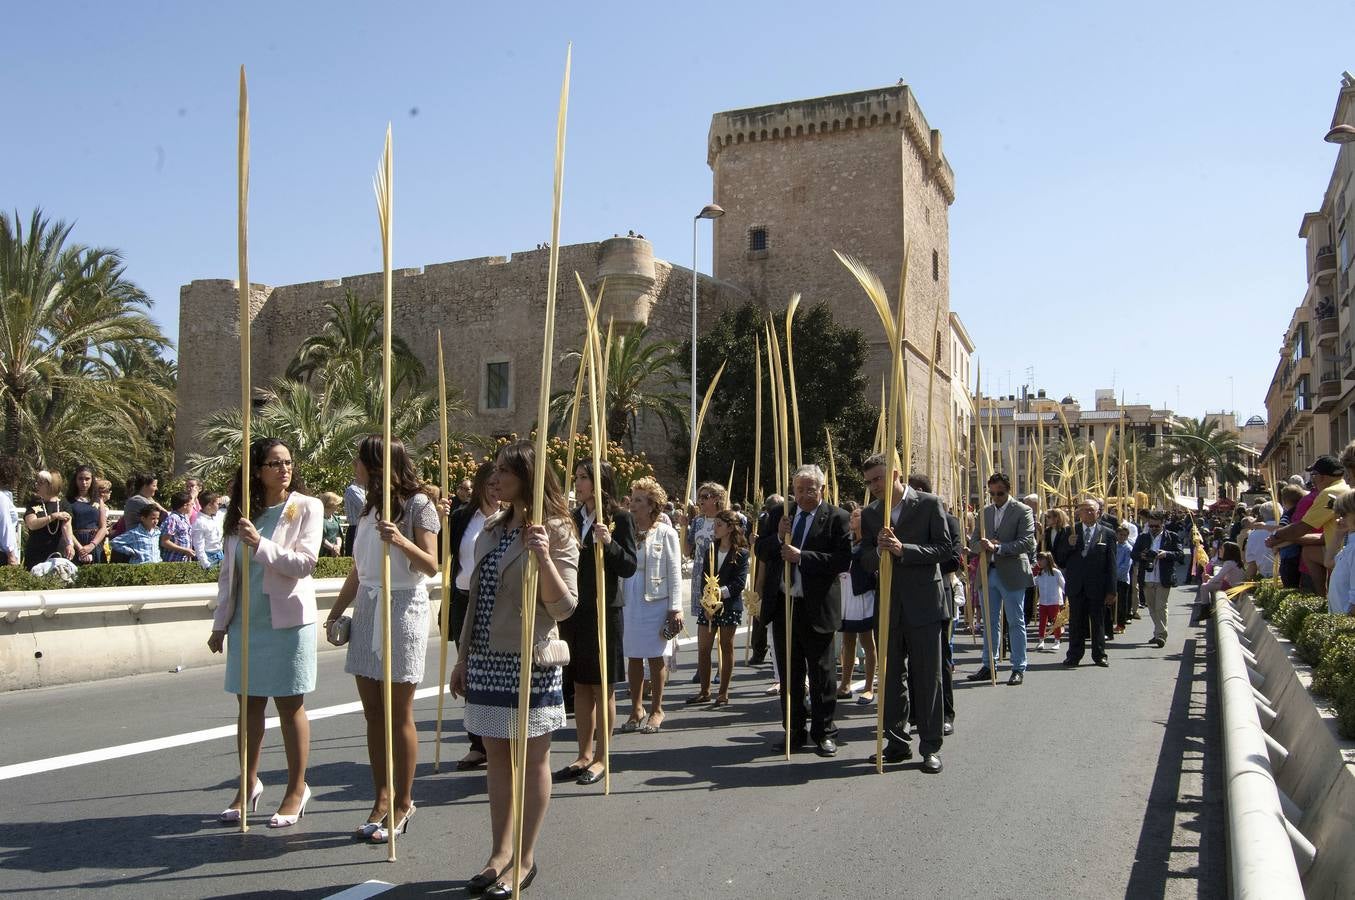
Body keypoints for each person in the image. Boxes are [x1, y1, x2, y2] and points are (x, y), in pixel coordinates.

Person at [448, 439, 578, 899]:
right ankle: (499, 852)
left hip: (529, 660)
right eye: (494, 471)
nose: (494, 478)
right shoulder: (489, 527)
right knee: (497, 759)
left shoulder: (557, 530)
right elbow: (474, 600)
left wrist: (542, 555)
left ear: (527, 476)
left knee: (533, 758)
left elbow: (564, 608)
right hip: (485, 659)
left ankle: (524, 858)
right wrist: (462, 657)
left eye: (504, 471)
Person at [325, 435, 440, 843]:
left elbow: (431, 564)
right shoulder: (367, 507)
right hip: (369, 608)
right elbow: (358, 570)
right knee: (373, 713)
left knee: (398, 712)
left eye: (358, 459)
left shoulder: (420, 506)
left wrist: (401, 539)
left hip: (404, 607)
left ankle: (404, 801)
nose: (353, 465)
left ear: (375, 464)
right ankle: (381, 797)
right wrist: (338, 610)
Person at [206, 438, 323, 828]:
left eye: (287, 462)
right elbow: (229, 576)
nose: (283, 469)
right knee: (249, 707)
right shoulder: (242, 515)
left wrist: (261, 544)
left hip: (287, 623)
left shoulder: (306, 507)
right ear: (257, 470)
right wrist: (220, 624)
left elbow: (304, 564)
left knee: (290, 706)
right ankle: (248, 783)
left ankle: (296, 788)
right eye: (274, 463)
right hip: (246, 623)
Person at [856, 458, 950, 772]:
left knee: (927, 677)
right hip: (889, 606)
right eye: (869, 482)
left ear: (896, 474)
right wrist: (879, 551)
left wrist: (903, 549)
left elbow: (944, 550)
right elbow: (866, 561)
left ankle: (930, 746)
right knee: (891, 678)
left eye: (878, 479)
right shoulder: (870, 514)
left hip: (924, 604)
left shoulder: (928, 504)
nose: (873, 487)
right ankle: (896, 743)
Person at [756, 464, 852, 758]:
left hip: (816, 605)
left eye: (811, 489)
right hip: (785, 605)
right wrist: (776, 537)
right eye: (799, 489)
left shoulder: (837, 517)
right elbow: (760, 550)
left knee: (821, 673)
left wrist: (803, 557)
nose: (804, 495)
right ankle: (794, 731)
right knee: (790, 674)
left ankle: (824, 732)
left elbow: (842, 560)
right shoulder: (779, 514)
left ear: (822, 489)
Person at [556, 460, 636, 786]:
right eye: (576, 477)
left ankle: (603, 756)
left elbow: (629, 564)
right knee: (579, 685)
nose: (577, 483)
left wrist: (609, 544)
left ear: (599, 482)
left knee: (603, 686)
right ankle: (583, 753)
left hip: (605, 611)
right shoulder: (573, 519)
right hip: (576, 611)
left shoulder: (620, 518)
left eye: (583, 478)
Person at [618, 477, 683, 735]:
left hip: (656, 601)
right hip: (630, 599)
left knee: (656, 657)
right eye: (632, 499)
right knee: (633, 655)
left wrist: (675, 608)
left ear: (652, 505)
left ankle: (657, 709)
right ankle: (636, 708)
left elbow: (675, 571)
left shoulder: (666, 533)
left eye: (638, 500)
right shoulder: (623, 530)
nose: (632, 505)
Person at [967, 473, 1036, 685]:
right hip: (988, 571)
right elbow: (975, 542)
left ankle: (1018, 667)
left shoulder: (1023, 510)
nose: (996, 497)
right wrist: (984, 545)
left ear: (1008, 490)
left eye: (1000, 493)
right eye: (992, 493)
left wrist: (999, 547)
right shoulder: (985, 512)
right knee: (989, 622)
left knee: (1016, 621)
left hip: (1013, 571)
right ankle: (989, 664)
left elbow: (1027, 542)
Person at [689, 508, 748, 707]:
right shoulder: (710, 550)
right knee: (704, 648)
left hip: (729, 605)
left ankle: (723, 692)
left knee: (726, 646)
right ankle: (704, 690)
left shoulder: (741, 554)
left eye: (719, 525)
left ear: (730, 528)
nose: (715, 528)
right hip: (709, 605)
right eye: (715, 524)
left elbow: (739, 583)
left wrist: (718, 594)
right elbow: (704, 576)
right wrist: (707, 601)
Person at [1268, 456, 1349, 594]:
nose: (1312, 479)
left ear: (1322, 476)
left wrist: (1276, 535)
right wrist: (1282, 539)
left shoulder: (1330, 493)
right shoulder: (1345, 487)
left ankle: (1323, 597)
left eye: (1313, 475)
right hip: (1344, 549)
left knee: (1338, 598)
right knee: (1309, 552)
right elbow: (1323, 536)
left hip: (1343, 555)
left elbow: (1302, 527)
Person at [1055, 498, 1118, 668]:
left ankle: (1099, 655)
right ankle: (1074, 655)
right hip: (1076, 585)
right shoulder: (1069, 532)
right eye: (1085, 510)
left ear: (1098, 513)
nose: (1089, 513)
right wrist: (1069, 546)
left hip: (1097, 585)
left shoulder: (1108, 533)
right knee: (1076, 622)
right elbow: (1059, 559)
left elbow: (1112, 563)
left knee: (1098, 622)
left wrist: (1112, 590)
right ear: (1079, 512)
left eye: (1092, 510)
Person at [839, 503, 878, 705]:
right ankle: (845, 684)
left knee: (867, 641)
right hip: (847, 593)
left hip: (862, 595)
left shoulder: (868, 543)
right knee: (847, 640)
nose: (852, 519)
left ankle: (869, 686)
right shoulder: (848, 541)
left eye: (856, 516)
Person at [1132, 510, 1187, 649]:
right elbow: (1134, 554)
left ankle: (1161, 635)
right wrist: (1143, 556)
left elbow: (1180, 555)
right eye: (1151, 526)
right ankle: (1158, 632)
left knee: (1161, 606)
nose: (1153, 529)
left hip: (1163, 576)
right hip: (1147, 576)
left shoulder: (1172, 537)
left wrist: (1166, 554)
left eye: (1156, 526)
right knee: (1151, 608)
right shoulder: (1143, 537)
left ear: (1163, 525)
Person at [23, 470, 75, 569]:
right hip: (36, 551)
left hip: (56, 552)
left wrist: (70, 544)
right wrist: (52, 517)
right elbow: (32, 524)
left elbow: (67, 526)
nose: (36, 485)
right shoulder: (34, 503)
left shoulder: (64, 504)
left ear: (50, 485)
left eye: (40, 483)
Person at [68, 465, 107, 564]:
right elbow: (66, 527)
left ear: (92, 480)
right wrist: (80, 548)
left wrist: (92, 545)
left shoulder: (98, 500)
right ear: (75, 480)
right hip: (75, 544)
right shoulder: (68, 501)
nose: (84, 482)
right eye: (80, 479)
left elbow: (103, 527)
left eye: (87, 479)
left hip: (94, 543)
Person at [1197, 541, 1245, 619]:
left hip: (1231, 586)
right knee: (1208, 584)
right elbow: (1221, 577)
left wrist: (1209, 580)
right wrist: (1210, 578)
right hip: (1232, 585)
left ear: (1228, 552)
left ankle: (1205, 611)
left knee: (1204, 587)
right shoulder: (1234, 562)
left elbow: (1219, 577)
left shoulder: (1229, 563)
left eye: (1222, 549)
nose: (1219, 551)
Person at [1325, 491, 1355, 615]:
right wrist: (1338, 534)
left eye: (1343, 514)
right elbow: (1328, 562)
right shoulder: (1351, 545)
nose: (1339, 519)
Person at [1033, 551, 1065, 652]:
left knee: (1056, 621)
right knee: (1042, 622)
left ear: (1047, 560)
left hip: (1054, 601)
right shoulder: (1040, 574)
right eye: (1038, 559)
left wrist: (1067, 597)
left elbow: (1063, 585)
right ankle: (1041, 640)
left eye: (1041, 559)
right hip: (1043, 601)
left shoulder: (1056, 572)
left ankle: (1057, 641)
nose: (1039, 562)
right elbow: (1033, 582)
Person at [159, 491, 195, 562]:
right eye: (191, 504)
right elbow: (164, 542)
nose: (192, 506)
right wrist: (184, 550)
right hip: (173, 559)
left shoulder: (185, 517)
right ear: (185, 505)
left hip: (184, 560)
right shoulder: (173, 519)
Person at [193, 491, 225, 568]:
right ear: (209, 505)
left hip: (220, 554)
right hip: (209, 558)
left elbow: (225, 510)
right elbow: (198, 546)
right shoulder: (199, 523)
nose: (219, 506)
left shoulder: (216, 516)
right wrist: (206, 564)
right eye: (217, 504)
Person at [342, 463, 367, 557]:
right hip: (355, 528)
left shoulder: (364, 489)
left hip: (362, 528)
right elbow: (365, 506)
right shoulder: (352, 490)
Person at [1114, 526, 1134, 633]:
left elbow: (1126, 565)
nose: (1122, 537)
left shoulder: (1128, 548)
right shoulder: (1114, 546)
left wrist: (1116, 575)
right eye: (1120, 534)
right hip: (1112, 578)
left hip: (1122, 579)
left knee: (1122, 603)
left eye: (1124, 535)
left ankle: (1121, 625)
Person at [0, 458, 20, 566]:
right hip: (4, 554)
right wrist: (11, 555)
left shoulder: (5, 496)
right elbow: (5, 526)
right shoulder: (1, 498)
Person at [318, 492, 344, 557]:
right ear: (331, 504)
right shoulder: (319, 518)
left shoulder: (334, 517)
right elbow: (320, 538)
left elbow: (338, 535)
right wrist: (332, 547)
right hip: (322, 553)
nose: (338, 506)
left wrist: (338, 546)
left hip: (334, 553)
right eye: (337, 504)